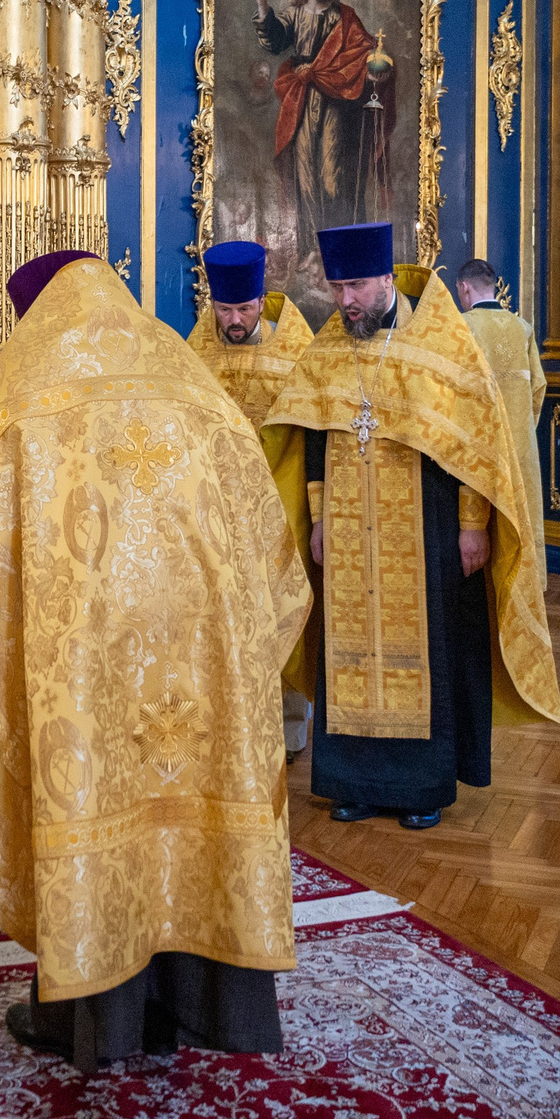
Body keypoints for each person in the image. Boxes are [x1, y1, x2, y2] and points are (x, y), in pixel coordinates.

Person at [0, 248, 312, 1072]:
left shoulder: (27, 389)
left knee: (92, 796)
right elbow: (267, 539)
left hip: (88, 649)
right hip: (201, 641)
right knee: (196, 801)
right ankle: (206, 1002)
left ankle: (97, 1016)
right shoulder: (186, 373)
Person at [264, 223, 559, 830]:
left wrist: (473, 525)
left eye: (356, 287)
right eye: (337, 288)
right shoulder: (328, 348)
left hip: (426, 525)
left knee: (429, 646)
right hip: (348, 528)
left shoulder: (442, 343)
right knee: (348, 650)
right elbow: (313, 439)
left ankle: (423, 786)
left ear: (386, 279)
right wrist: (317, 519)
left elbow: (475, 444)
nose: (346, 300)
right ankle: (353, 781)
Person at [183, 239, 318, 759]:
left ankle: (289, 726)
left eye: (243, 308)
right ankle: (229, 722)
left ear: (262, 301)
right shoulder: (195, 353)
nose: (234, 320)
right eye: (224, 310)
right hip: (215, 511)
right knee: (222, 617)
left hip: (281, 506)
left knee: (280, 608)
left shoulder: (297, 353)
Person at [249, 0, 397, 251]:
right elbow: (274, 41)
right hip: (302, 101)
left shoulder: (344, 16)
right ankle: (311, 252)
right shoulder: (294, 14)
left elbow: (364, 49)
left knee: (332, 177)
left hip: (336, 101)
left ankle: (338, 250)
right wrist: (263, 4)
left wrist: (370, 67)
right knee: (305, 177)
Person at [454, 258, 547, 542]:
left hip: (476, 443)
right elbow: (538, 389)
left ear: (464, 287)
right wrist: (523, 430)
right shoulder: (523, 328)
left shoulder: (461, 326)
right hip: (519, 448)